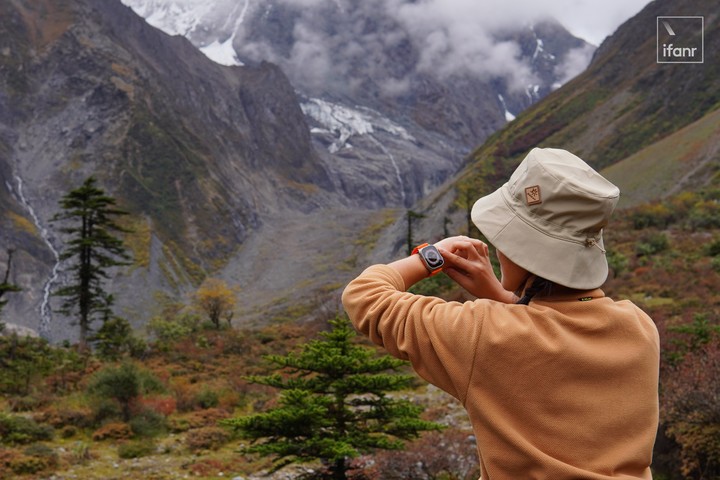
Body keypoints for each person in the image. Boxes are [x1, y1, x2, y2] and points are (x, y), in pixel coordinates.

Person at [342, 148, 659, 479]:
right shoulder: (639, 328)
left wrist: (432, 256)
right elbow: (553, 338)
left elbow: (365, 296)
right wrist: (503, 296)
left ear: (526, 251)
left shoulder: (483, 332)